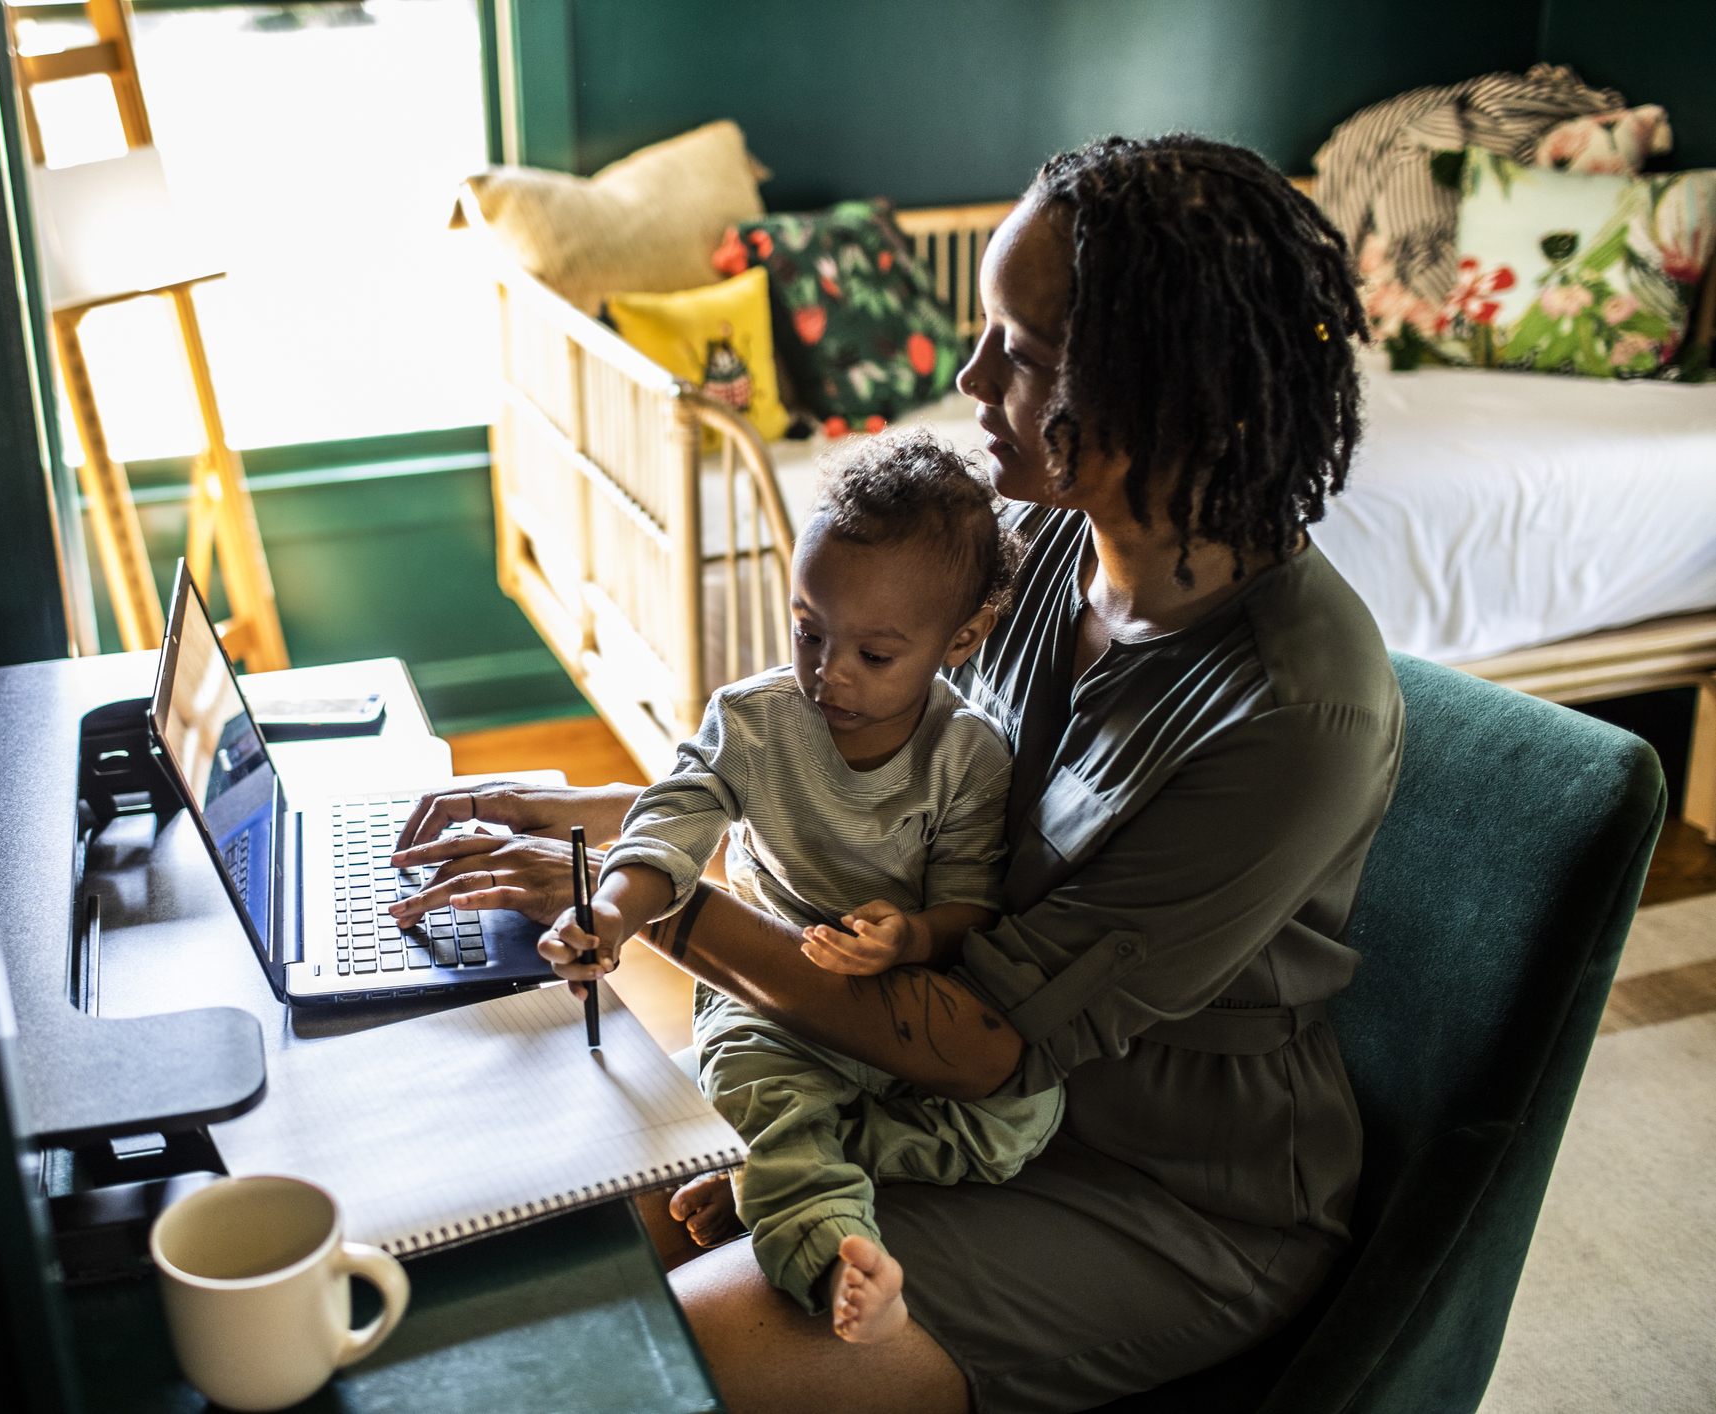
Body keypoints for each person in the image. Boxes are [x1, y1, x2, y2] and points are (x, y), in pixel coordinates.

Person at [389, 133, 1403, 1414]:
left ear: (1168, 394)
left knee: (634, 1367)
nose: (972, 377)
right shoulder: (1035, 553)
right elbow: (896, 799)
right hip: (920, 1098)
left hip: (1161, 1194)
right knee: (532, 1240)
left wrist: (674, 909)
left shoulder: (1292, 713)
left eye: (1023, 357)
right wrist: (624, 825)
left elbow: (983, 1040)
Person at [553, 430, 1062, 1344]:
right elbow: (674, 814)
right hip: (770, 1004)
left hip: (900, 1001)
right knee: (765, 1092)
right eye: (807, 632)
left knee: (1022, 1117)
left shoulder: (969, 756)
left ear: (961, 640)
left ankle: (780, 1170)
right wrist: (614, 910)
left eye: (873, 655)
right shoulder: (751, 721)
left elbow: (965, 908)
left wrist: (906, 938)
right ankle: (834, 1252)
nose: (828, 672)